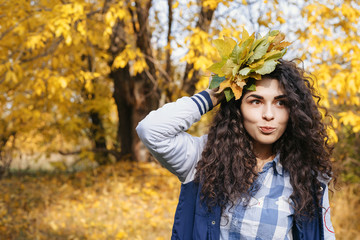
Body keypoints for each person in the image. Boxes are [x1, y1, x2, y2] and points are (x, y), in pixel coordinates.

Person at [136, 34, 336, 239]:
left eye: (281, 102)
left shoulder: (306, 176)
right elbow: (151, 130)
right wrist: (216, 94)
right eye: (255, 101)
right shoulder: (203, 158)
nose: (269, 114)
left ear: (293, 109)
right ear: (237, 107)